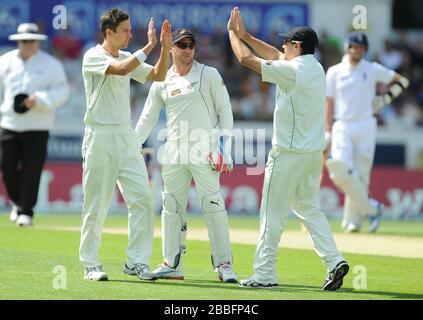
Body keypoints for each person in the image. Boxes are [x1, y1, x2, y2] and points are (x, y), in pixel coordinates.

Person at [227, 7, 348, 290]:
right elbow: (274, 56)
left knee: (272, 214)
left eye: (286, 42)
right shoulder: (315, 67)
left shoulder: (293, 71)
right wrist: (245, 34)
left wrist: (233, 35)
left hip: (288, 154)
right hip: (310, 155)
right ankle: (334, 260)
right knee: (309, 209)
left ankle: (264, 274)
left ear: (297, 46)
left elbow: (246, 59)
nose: (282, 45)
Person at [134, 28, 237, 283]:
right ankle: (172, 264)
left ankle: (224, 265)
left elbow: (225, 112)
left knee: (212, 205)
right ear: (171, 48)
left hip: (205, 149)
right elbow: (147, 118)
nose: (187, 49)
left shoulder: (208, 74)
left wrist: (224, 149)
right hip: (174, 150)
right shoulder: (162, 79)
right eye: (181, 45)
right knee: (171, 206)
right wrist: (131, 145)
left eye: (191, 44)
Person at [79, 8, 172, 281]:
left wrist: (165, 49)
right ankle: (91, 264)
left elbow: (157, 75)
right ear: (109, 33)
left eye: (131, 30)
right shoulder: (93, 56)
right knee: (96, 204)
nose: (131, 34)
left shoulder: (125, 56)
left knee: (142, 199)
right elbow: (120, 70)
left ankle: (137, 262)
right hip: (99, 135)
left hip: (125, 136)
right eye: (126, 31)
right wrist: (150, 45)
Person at [325, 32, 409, 233]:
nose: (359, 51)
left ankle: (353, 222)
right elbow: (329, 103)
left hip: (366, 126)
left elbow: (402, 82)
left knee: (361, 176)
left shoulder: (371, 69)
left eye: (362, 48)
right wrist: (327, 129)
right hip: (342, 125)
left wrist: (385, 99)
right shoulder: (335, 72)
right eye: (355, 47)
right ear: (348, 47)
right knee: (340, 170)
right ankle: (372, 208)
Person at [0, 23, 69, 227]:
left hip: (38, 125)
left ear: (37, 42)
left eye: (31, 41)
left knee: (32, 170)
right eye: (24, 41)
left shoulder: (51, 65)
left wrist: (38, 100)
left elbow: (62, 91)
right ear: (18, 41)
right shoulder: (4, 61)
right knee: (7, 168)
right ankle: (18, 203)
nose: (27, 44)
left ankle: (26, 211)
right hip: (8, 123)